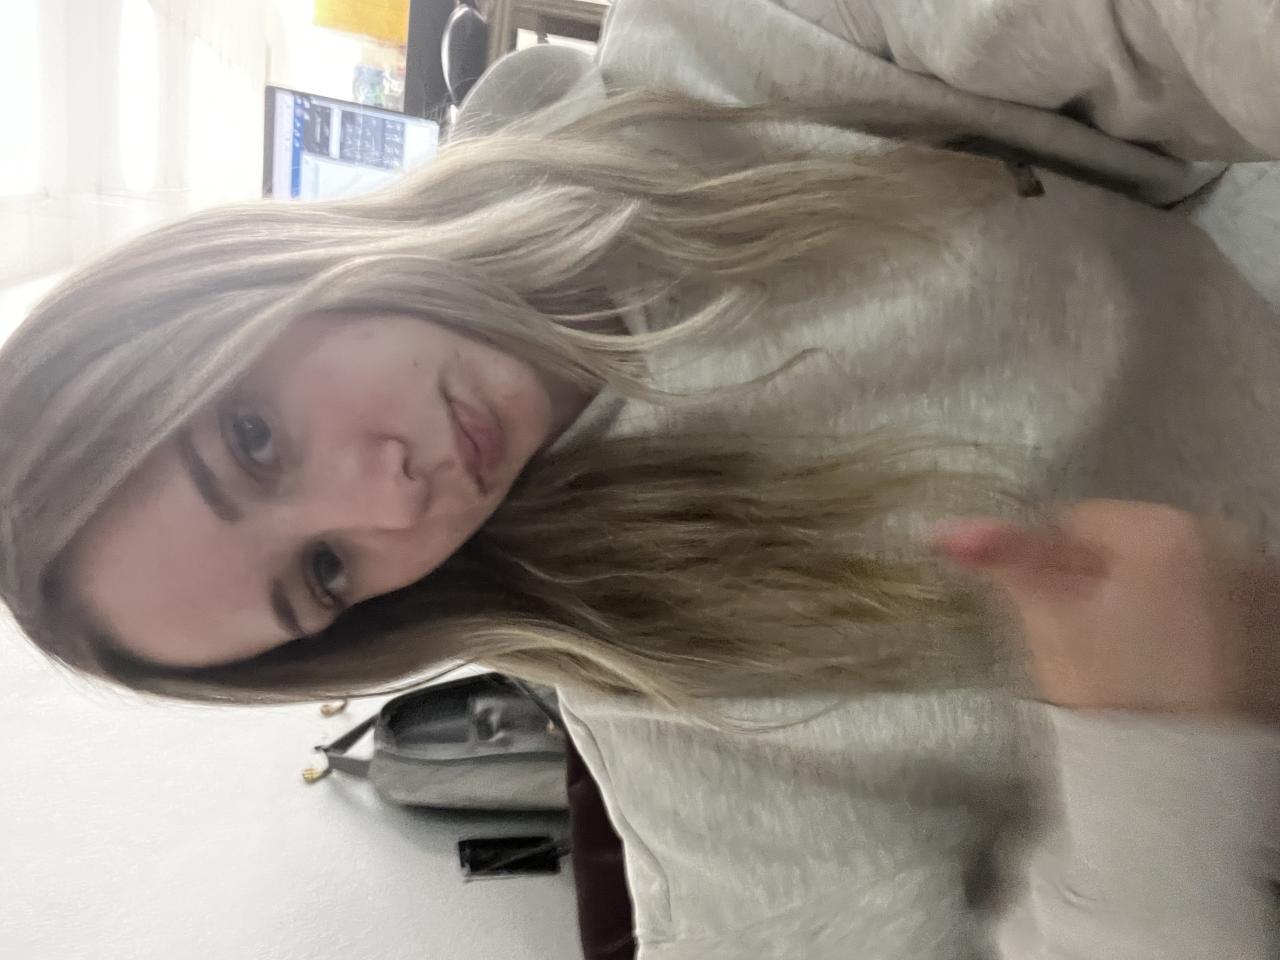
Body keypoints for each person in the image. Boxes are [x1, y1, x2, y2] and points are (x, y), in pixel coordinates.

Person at [2, 0, 1279, 956]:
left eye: (254, 440)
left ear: (248, 272)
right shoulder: (691, 740)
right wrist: (1154, 779)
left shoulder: (719, 63)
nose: (394, 502)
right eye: (325, 574)